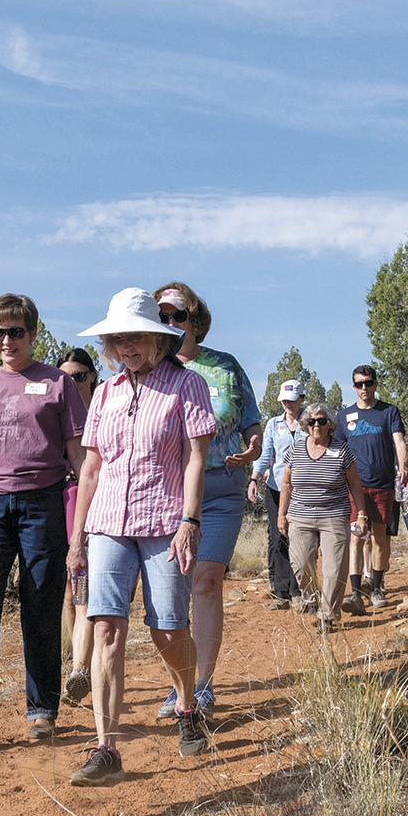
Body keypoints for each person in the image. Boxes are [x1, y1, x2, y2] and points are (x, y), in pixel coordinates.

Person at [66, 288, 213, 783]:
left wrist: (190, 521)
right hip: (108, 521)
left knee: (168, 628)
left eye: (135, 336)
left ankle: (188, 705)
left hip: (164, 520)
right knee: (106, 626)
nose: (126, 345)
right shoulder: (104, 393)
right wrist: (77, 536)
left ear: (156, 338)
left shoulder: (185, 386)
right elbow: (91, 467)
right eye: (117, 337)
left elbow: (196, 458)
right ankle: (106, 746)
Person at [0, 294, 85, 747]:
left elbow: (77, 452)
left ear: (32, 333)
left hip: (42, 502)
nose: (6, 340)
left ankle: (42, 710)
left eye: (16, 331)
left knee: (41, 602)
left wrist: (86, 514)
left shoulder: (57, 383)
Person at [149, 283, 262, 722]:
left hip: (221, 489)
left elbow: (251, 424)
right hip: (168, 492)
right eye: (161, 317)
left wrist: (253, 451)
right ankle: (179, 685)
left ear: (194, 319)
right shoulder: (153, 372)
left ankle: (203, 686)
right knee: (173, 586)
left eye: (178, 315)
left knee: (207, 581)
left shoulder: (225, 366)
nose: (170, 324)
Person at [278, 401, 371, 627]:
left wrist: (361, 515)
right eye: (311, 421)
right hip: (300, 515)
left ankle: (327, 616)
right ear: (305, 424)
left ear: (329, 424)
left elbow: (355, 483)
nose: (316, 425)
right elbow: (287, 483)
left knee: (334, 568)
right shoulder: (296, 449)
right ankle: (313, 600)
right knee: (300, 565)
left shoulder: (342, 449)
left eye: (321, 420)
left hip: (334, 515)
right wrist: (282, 514)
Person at [341, 364, 408, 611]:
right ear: (353, 387)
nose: (364, 388)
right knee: (356, 537)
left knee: (379, 537)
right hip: (355, 488)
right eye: (359, 384)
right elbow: (338, 453)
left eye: (368, 383)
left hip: (383, 483)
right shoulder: (344, 417)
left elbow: (399, 442)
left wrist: (403, 466)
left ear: (376, 384)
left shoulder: (389, 412)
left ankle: (377, 588)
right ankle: (354, 593)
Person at [53, 347, 101, 703]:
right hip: (59, 498)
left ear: (92, 377)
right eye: (65, 377)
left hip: (97, 502)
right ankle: (78, 665)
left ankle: (82, 667)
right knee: (69, 592)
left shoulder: (103, 409)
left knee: (84, 581)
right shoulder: (53, 412)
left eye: (79, 376)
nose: (72, 382)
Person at [255, 378, 308, 608]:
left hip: (304, 490)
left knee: (299, 539)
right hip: (276, 488)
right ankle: (281, 591)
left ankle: (299, 591)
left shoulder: (311, 422)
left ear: (302, 399)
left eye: (293, 400)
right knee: (277, 539)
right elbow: (265, 454)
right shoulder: (273, 424)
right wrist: (254, 478)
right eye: (285, 401)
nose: (288, 405)